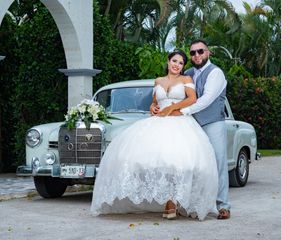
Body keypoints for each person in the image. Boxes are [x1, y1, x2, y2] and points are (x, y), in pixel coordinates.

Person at [90, 49, 218, 221]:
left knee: (178, 162)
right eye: (174, 61)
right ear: (168, 61)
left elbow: (192, 99)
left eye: (181, 63)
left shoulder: (186, 79)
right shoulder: (158, 80)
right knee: (153, 163)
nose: (177, 65)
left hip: (179, 122)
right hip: (157, 122)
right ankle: (165, 198)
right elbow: (155, 101)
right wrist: (153, 107)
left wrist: (172, 107)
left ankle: (172, 202)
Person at [153, 40, 231, 220]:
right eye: (193, 53)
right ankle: (193, 203)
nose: (197, 55)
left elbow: (206, 99)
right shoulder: (187, 74)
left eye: (200, 51)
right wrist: (155, 106)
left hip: (212, 122)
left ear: (208, 52)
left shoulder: (216, 73)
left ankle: (223, 206)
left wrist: (179, 110)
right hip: (190, 125)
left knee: (217, 163)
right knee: (192, 164)